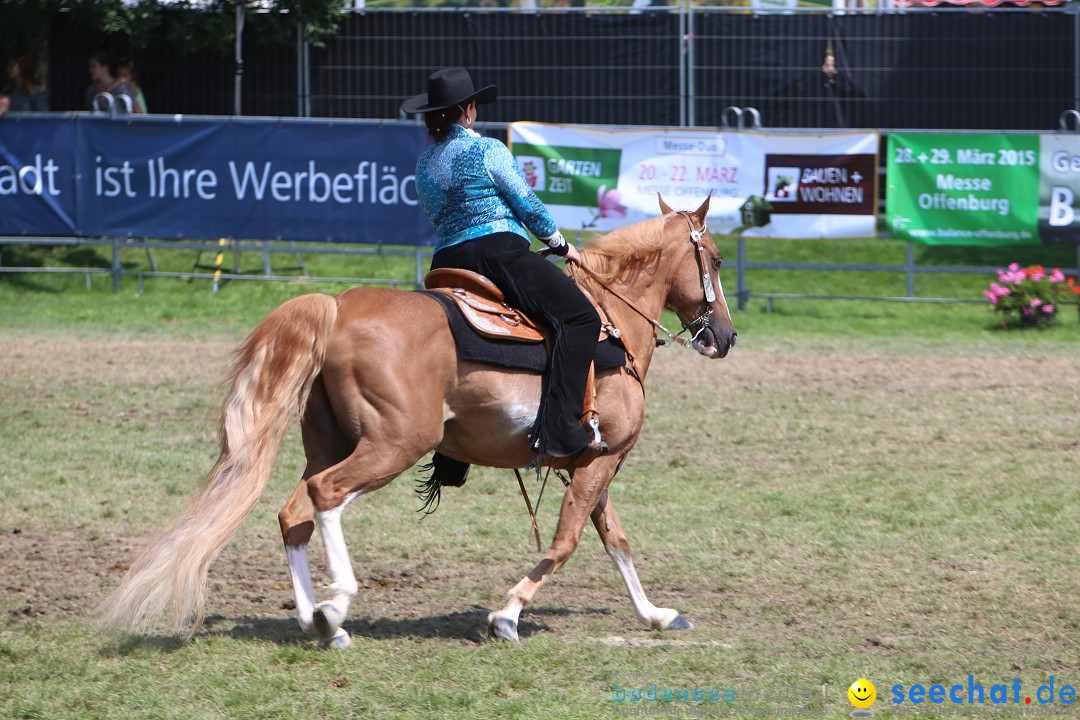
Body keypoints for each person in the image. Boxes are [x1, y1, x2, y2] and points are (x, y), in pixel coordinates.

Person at [401, 66, 603, 461]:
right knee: (581, 318)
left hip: (446, 260)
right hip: (496, 254)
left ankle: (452, 455)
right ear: (469, 109)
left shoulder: (424, 165)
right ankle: (561, 432)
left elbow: (437, 214)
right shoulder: (487, 149)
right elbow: (525, 202)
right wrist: (560, 244)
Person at [0, 53, 47, 117]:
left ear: (21, 67)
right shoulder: (6, 92)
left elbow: (43, 117)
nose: (8, 69)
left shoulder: (34, 93)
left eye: (11, 66)